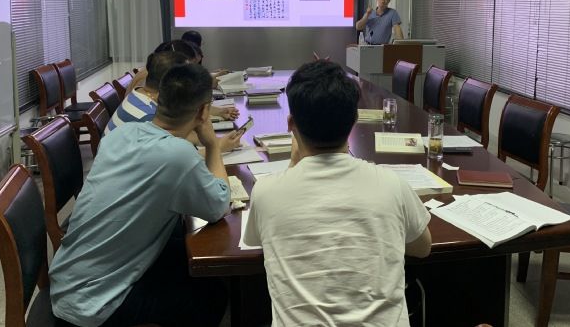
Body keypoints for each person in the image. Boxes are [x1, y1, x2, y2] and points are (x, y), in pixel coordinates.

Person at [244, 60, 432, 326]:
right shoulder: (392, 185)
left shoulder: (265, 192)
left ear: (291, 124)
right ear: (354, 120)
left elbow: (258, 241)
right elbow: (422, 248)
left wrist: (294, 165)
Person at [50, 63, 230, 327]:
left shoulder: (123, 133)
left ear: (157, 98)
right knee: (212, 295)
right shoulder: (178, 155)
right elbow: (219, 206)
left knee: (185, 250)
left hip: (68, 279)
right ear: (204, 112)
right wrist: (213, 144)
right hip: (94, 305)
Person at [109, 50, 242, 151]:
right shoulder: (149, 117)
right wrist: (218, 146)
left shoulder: (141, 94)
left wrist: (217, 113)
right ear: (172, 82)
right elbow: (179, 158)